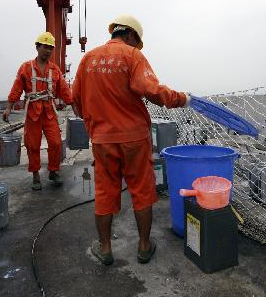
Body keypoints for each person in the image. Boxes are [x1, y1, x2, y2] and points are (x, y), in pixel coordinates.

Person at [72, 15, 189, 265]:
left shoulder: (88, 59)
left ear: (115, 32)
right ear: (132, 36)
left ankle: (104, 249)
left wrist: (94, 122)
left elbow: (76, 101)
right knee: (142, 191)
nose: (136, 47)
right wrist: (182, 98)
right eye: (137, 42)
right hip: (134, 138)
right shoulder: (132, 56)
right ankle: (144, 247)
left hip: (103, 140)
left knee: (105, 192)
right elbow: (153, 91)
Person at [3, 31, 74, 190]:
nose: (48, 50)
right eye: (45, 47)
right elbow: (16, 88)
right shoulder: (26, 67)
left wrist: (75, 106)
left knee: (56, 142)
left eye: (51, 48)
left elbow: (64, 91)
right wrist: (8, 107)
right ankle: (35, 175)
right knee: (32, 145)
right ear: (37, 47)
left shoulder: (55, 70)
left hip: (49, 112)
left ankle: (53, 171)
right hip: (32, 113)